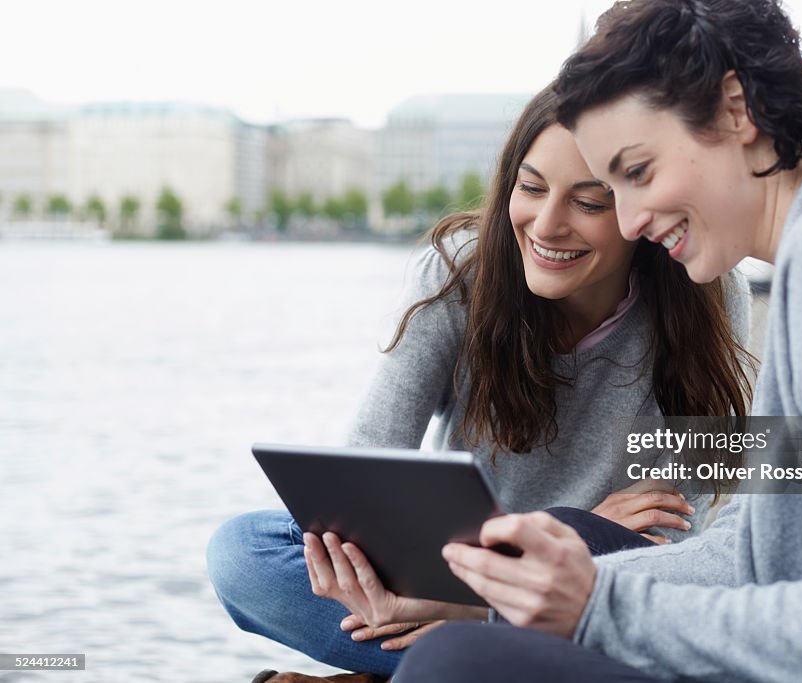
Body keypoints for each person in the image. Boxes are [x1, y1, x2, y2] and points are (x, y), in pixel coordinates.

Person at [372, 1, 802, 681]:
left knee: (459, 662)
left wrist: (593, 604)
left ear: (734, 109)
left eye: (637, 172)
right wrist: (522, 599)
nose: (628, 221)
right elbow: (756, 550)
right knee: (468, 646)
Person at [207, 84, 754, 681]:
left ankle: (444, 660)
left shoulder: (709, 288)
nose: (547, 225)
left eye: (590, 202)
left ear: (638, 210)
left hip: (602, 571)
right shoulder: (457, 273)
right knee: (244, 552)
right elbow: (367, 466)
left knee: (613, 568)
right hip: (457, 571)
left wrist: (569, 540)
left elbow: (681, 522)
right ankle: (477, 656)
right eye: (531, 187)